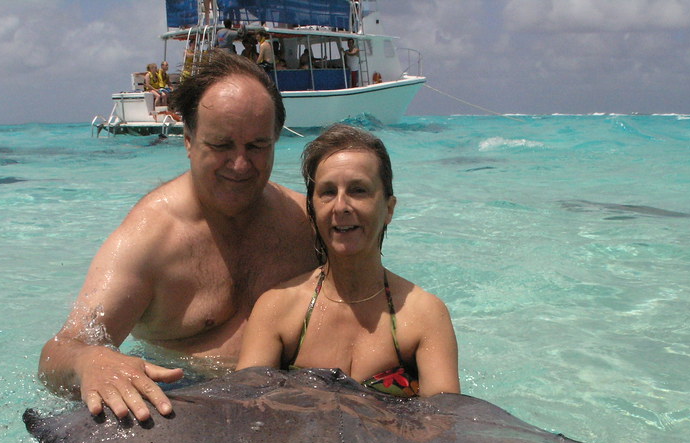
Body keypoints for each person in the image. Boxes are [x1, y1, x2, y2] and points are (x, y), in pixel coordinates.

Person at [38, 52, 316, 422]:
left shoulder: (305, 222)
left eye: (257, 146)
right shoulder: (151, 239)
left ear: (276, 140)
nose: (240, 164)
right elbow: (58, 353)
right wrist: (90, 360)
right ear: (187, 139)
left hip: (288, 398)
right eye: (220, 145)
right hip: (185, 404)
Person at [237, 124, 460, 397]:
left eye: (358, 190)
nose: (341, 206)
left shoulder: (425, 316)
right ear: (312, 208)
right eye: (328, 192)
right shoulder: (277, 310)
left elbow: (445, 424)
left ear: (388, 209)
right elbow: (241, 410)